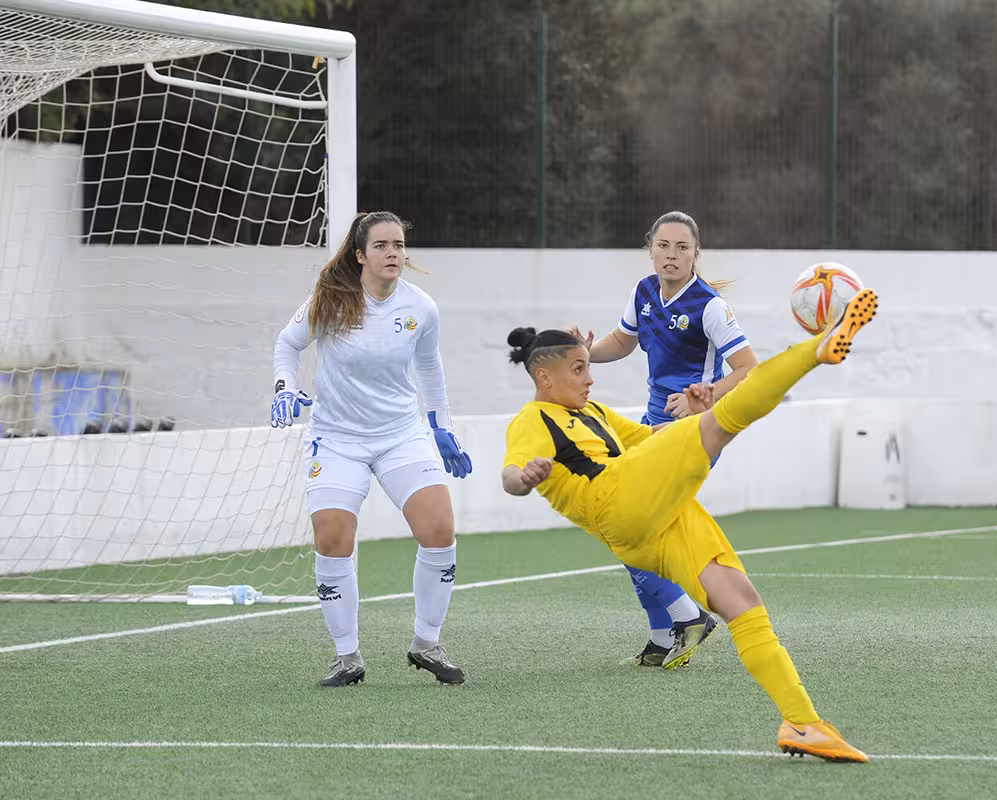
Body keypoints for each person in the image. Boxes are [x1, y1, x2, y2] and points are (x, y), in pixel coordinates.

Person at [500, 286, 878, 761]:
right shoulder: (532, 418)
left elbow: (650, 439)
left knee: (740, 600)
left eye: (589, 367)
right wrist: (525, 477)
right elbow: (511, 475)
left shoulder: (593, 412)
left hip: (649, 524)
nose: (589, 379)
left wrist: (692, 419)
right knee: (724, 421)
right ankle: (817, 349)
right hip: (616, 501)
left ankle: (803, 723)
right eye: (579, 369)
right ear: (544, 377)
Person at [272, 211, 473, 687]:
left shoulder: (421, 308)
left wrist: (441, 427)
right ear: (361, 255)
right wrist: (283, 386)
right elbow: (287, 343)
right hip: (337, 439)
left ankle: (427, 644)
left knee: (439, 530)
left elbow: (430, 370)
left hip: (401, 434)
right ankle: (347, 658)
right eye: (382, 246)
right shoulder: (331, 300)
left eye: (399, 245)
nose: (393, 253)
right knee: (333, 539)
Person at [572, 211, 759, 669]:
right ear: (650, 248)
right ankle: (663, 634)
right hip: (650, 427)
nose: (671, 255)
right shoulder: (644, 291)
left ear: (696, 254)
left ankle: (686, 615)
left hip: (694, 432)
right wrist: (584, 353)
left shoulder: (710, 306)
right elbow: (622, 340)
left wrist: (706, 394)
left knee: (630, 524)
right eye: (664, 246)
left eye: (681, 248)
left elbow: (749, 368)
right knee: (622, 526)